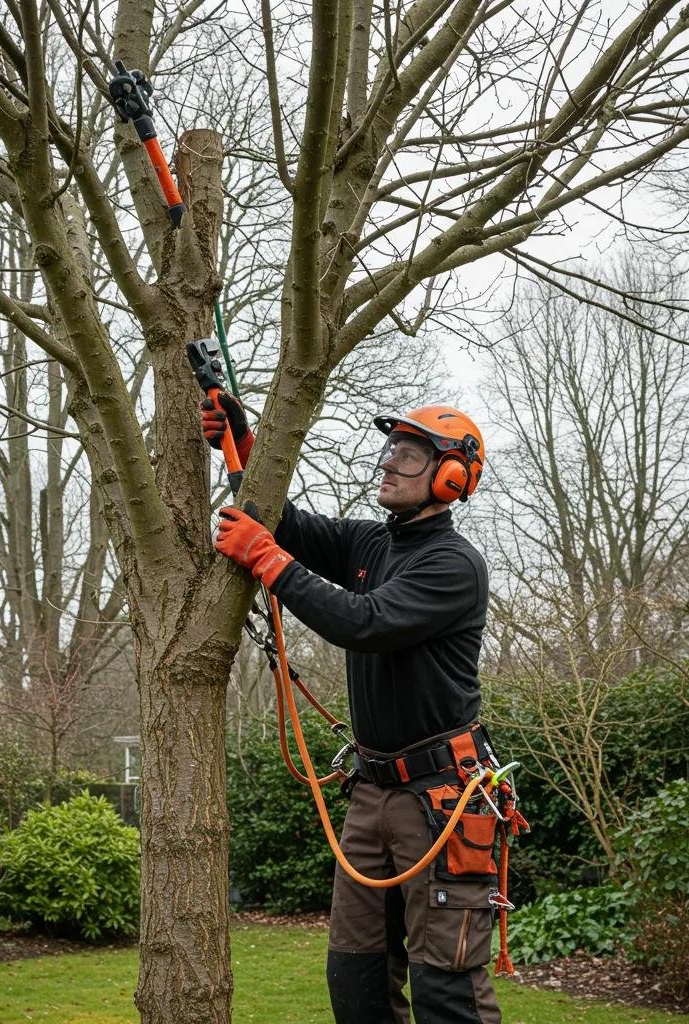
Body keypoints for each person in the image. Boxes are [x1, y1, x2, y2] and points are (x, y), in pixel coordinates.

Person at [202, 396, 501, 1024]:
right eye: (391, 449)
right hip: (372, 792)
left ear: (452, 477)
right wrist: (244, 446)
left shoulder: (453, 566)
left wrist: (266, 559)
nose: (389, 463)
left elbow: (364, 621)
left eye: (409, 454)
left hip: (439, 797)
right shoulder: (371, 542)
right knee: (355, 982)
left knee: (446, 989)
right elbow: (289, 526)